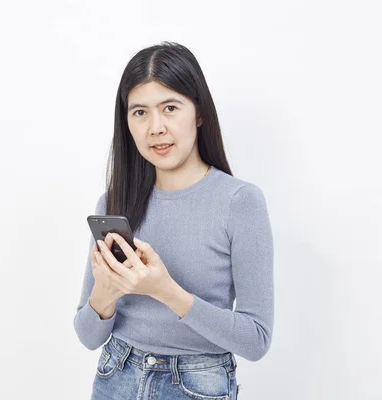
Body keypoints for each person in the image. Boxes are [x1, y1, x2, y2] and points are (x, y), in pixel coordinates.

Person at [73, 41, 274, 400]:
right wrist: (105, 294)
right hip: (116, 375)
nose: (156, 128)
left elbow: (256, 339)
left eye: (170, 108)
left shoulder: (240, 202)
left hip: (197, 384)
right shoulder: (113, 202)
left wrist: (165, 291)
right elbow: (88, 336)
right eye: (140, 112)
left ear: (198, 112)